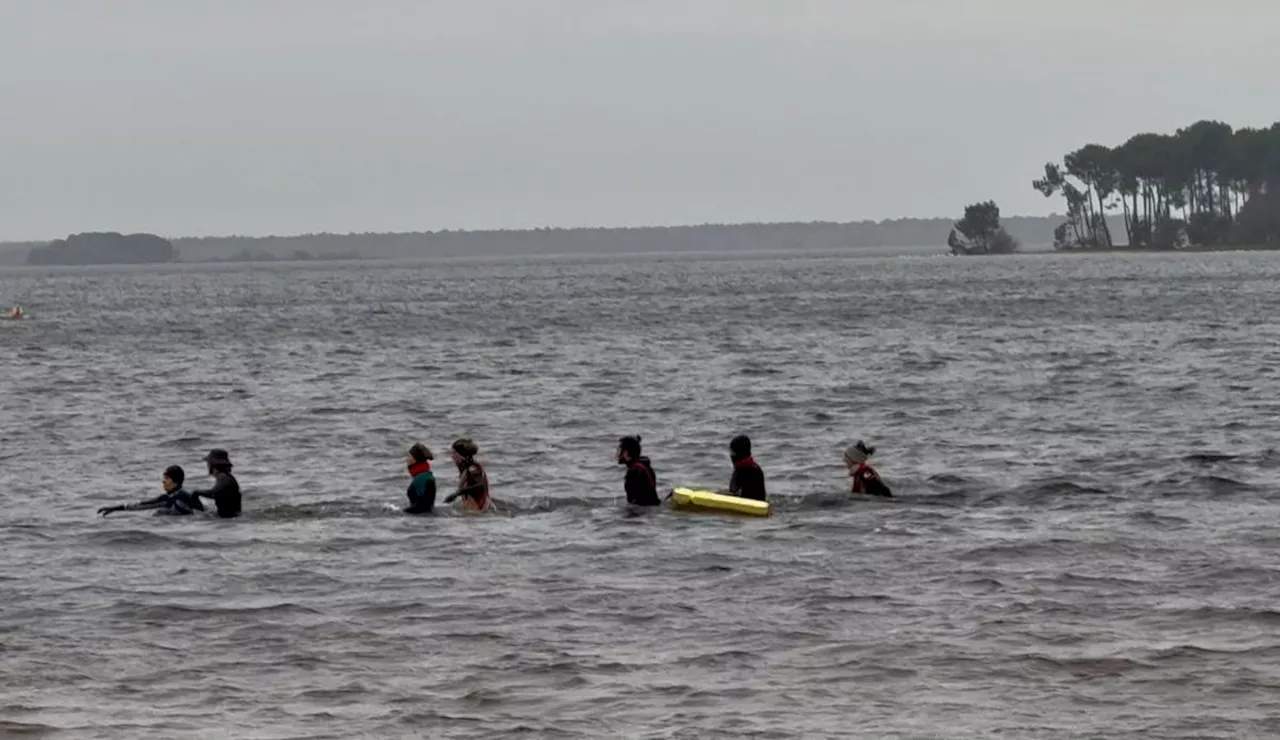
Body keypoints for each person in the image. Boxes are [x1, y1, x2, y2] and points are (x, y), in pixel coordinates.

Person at [98, 465, 204, 517]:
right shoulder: (170, 497)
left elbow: (144, 506)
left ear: (175, 481)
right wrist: (115, 508)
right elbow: (143, 504)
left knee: (159, 513)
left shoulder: (181, 497)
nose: (163, 481)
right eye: (164, 478)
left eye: (166, 478)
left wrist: (116, 509)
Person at [442, 438, 492, 512]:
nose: (452, 457)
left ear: (463, 455)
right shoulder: (468, 468)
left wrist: (457, 494)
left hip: (477, 515)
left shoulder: (473, 468)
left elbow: (480, 486)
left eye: (455, 453)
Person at [191, 449, 242, 518]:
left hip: (228, 518)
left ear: (213, 465)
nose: (207, 466)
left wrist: (197, 492)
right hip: (233, 516)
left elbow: (216, 493)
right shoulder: (227, 477)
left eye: (208, 463)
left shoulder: (223, 478)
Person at [617, 435, 659, 506]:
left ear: (626, 453)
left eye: (620, 450)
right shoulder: (645, 465)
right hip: (652, 507)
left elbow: (635, 501)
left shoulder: (634, 471)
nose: (618, 454)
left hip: (644, 512)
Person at [727, 434, 767, 501]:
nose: (731, 456)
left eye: (733, 452)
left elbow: (733, 494)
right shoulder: (756, 468)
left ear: (740, 453)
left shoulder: (741, 471)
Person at [403, 443, 437, 514]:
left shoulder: (420, 478)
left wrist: (401, 512)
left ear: (414, 459)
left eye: (409, 456)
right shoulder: (426, 475)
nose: (406, 459)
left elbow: (421, 506)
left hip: (420, 520)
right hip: (428, 518)